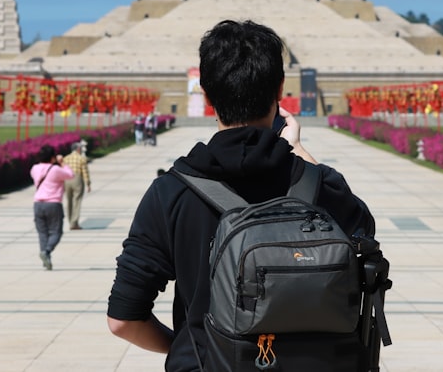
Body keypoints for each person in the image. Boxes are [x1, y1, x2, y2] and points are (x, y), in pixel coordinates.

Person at [107, 20, 374, 370]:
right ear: (280, 90)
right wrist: (300, 153)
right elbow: (364, 235)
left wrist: (191, 344)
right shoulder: (322, 186)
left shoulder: (171, 193)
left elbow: (123, 320)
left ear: (205, 94)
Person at [30, 144, 73, 270]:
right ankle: (47, 252)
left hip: (38, 203)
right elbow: (71, 175)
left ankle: (45, 259)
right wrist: (62, 162)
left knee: (42, 233)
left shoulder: (34, 168)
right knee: (56, 232)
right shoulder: (55, 170)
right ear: (52, 157)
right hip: (53, 203)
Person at [61, 141, 92, 230]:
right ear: (78, 149)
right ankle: (74, 223)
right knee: (77, 201)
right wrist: (88, 183)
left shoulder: (66, 158)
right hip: (77, 179)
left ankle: (70, 220)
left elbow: (62, 170)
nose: (82, 150)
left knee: (69, 201)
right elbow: (85, 172)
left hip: (67, 180)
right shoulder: (81, 158)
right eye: (81, 148)